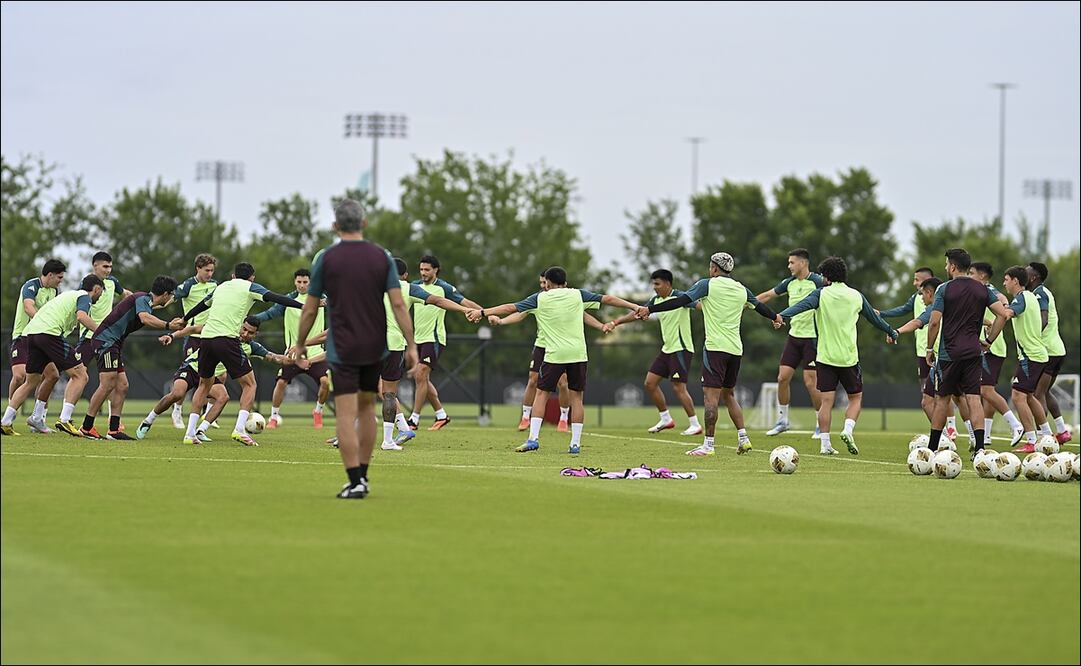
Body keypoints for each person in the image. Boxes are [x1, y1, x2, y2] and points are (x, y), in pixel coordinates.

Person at [291, 199, 418, 499]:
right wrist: (411, 344)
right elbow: (398, 304)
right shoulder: (382, 257)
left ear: (335, 226)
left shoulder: (326, 258)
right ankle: (364, 474)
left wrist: (299, 343)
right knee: (367, 409)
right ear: (364, 224)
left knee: (346, 415)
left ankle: (355, 480)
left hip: (343, 347)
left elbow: (310, 308)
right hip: (375, 345)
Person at [476, 265, 634, 454]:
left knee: (542, 394)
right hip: (578, 354)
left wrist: (483, 312)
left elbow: (510, 307)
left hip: (554, 354)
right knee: (577, 398)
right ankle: (575, 444)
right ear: (565, 283)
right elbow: (607, 299)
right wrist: (634, 306)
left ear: (548, 283)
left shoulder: (540, 298)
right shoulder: (577, 295)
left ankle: (533, 439)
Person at [647, 252, 780, 457]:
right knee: (729, 394)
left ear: (714, 268)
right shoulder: (741, 288)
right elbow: (760, 307)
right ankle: (743, 439)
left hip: (715, 348)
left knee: (711, 397)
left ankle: (708, 445)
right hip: (736, 350)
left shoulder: (707, 284)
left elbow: (680, 300)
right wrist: (776, 317)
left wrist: (651, 309)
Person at [778, 256, 898, 456]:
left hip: (825, 358)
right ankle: (848, 429)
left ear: (826, 277)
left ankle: (825, 445)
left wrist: (781, 315)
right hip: (849, 358)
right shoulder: (856, 296)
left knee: (826, 402)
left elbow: (800, 306)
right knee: (855, 398)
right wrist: (891, 331)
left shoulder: (821, 294)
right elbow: (873, 318)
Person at [895, 249, 1010, 457]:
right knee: (973, 399)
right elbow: (1002, 315)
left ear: (954, 266)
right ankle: (980, 449)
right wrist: (989, 341)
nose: (946, 268)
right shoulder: (982, 289)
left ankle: (932, 449)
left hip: (949, 355)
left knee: (942, 400)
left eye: (947, 264)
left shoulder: (943, 289)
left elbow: (935, 322)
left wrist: (929, 349)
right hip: (974, 353)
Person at [179, 262, 303, 446]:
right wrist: (303, 306)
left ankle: (190, 434)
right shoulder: (251, 287)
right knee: (250, 384)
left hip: (206, 338)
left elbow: (202, 305)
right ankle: (239, 429)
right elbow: (276, 298)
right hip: (226, 339)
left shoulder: (221, 287)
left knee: (204, 386)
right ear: (252, 277)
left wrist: (184, 318)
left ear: (233, 276)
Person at [139, 317, 301, 441]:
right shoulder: (222, 331)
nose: (245, 334)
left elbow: (273, 357)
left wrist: (290, 360)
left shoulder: (251, 347)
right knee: (177, 394)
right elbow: (194, 328)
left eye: (250, 332)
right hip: (193, 368)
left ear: (255, 334)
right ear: (239, 325)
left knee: (223, 397)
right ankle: (148, 420)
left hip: (211, 377)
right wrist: (172, 336)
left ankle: (201, 430)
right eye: (243, 329)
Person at [498, 270, 602, 433]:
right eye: (540, 283)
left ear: (550, 282)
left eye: (544, 282)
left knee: (563, 384)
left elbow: (583, 314)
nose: (542, 285)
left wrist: (601, 325)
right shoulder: (538, 299)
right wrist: (501, 321)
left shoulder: (569, 298)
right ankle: (526, 417)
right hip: (543, 345)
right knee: (533, 380)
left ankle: (563, 418)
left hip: (560, 348)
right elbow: (519, 313)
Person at [78, 276, 181, 440]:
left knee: (123, 385)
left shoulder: (146, 302)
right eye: (171, 295)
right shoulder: (142, 298)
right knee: (107, 383)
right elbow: (144, 318)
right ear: (166, 294)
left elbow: (151, 312)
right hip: (106, 341)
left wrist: (174, 323)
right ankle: (86, 427)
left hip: (114, 343)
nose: (171, 299)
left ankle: (114, 430)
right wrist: (168, 325)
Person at [1, 275, 105, 436]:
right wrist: (102, 334)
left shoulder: (68, 295)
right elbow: (82, 317)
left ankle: (8, 421)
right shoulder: (84, 297)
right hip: (48, 334)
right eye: (101, 292)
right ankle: (64, 420)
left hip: (31, 334)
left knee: (36, 380)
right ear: (97, 289)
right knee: (80, 375)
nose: (100, 296)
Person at [607, 269, 703, 436]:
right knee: (650, 383)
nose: (654, 287)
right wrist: (616, 321)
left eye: (657, 284)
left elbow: (700, 306)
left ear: (667, 284)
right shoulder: (656, 300)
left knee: (678, 387)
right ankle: (666, 419)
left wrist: (718, 308)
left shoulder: (682, 298)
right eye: (653, 284)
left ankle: (695, 424)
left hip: (681, 348)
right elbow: (639, 312)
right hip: (667, 349)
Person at [879, 266, 961, 440]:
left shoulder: (937, 306)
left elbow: (919, 322)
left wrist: (897, 332)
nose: (920, 295)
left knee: (938, 399)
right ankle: (970, 440)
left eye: (922, 291)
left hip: (943, 358)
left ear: (930, 291)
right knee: (962, 398)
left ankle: (948, 436)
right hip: (953, 356)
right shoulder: (952, 301)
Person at [755, 249, 825, 438]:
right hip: (794, 337)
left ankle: (821, 424)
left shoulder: (818, 281)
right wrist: (747, 302)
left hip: (813, 337)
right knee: (782, 378)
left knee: (811, 383)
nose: (789, 266)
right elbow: (768, 295)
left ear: (803, 263)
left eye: (792, 262)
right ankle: (782, 421)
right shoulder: (789, 283)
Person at [407, 255, 482, 431]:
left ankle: (414, 420)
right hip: (417, 339)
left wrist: (485, 312)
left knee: (420, 375)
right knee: (422, 378)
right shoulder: (415, 286)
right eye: (421, 269)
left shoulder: (444, 288)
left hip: (434, 338)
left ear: (436, 270)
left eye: (427, 270)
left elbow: (465, 302)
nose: (423, 273)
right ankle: (441, 415)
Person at [253, 268, 330, 430]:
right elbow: (270, 313)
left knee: (325, 383)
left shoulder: (321, 298)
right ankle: (273, 417)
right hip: (293, 353)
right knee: (281, 383)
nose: (302, 285)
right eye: (299, 282)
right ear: (295, 282)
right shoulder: (288, 300)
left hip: (315, 353)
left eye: (305, 282)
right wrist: (253, 319)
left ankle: (318, 412)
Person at [984, 266, 1049, 454]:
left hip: (1031, 356)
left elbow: (1005, 315)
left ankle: (1031, 440)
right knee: (1028, 396)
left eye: (1006, 279)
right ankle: (1046, 434)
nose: (1004, 283)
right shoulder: (1028, 297)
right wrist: (990, 335)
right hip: (1036, 355)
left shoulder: (1021, 298)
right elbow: (1005, 314)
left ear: (1015, 281)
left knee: (1018, 396)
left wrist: (987, 336)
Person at [969, 262, 1024, 447]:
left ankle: (1015, 424)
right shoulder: (981, 290)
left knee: (986, 390)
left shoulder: (987, 290)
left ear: (982, 276)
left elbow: (1001, 299)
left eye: (971, 273)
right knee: (986, 391)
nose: (969, 276)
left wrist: (1004, 307)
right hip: (990, 348)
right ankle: (985, 435)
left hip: (991, 348)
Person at [76, 251, 134, 429]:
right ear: (95, 266)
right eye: (105, 266)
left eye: (110, 266)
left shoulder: (113, 282)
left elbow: (125, 294)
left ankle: (113, 420)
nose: (108, 270)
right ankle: (64, 417)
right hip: (88, 337)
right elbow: (80, 309)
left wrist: (136, 301)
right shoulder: (86, 284)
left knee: (117, 382)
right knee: (76, 376)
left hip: (108, 339)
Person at [9, 259, 67, 434]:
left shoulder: (55, 291)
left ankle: (39, 418)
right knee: (20, 377)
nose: (61, 281)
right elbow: (28, 307)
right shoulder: (31, 286)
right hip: (22, 337)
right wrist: (43, 323)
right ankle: (9, 416)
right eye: (59, 277)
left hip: (41, 339)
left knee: (48, 377)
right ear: (50, 275)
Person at [169, 253, 218, 428]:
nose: (210, 274)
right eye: (207, 270)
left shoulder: (215, 285)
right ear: (197, 268)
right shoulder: (188, 285)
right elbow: (171, 298)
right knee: (189, 377)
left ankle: (210, 414)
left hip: (211, 335)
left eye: (212, 270)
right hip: (193, 337)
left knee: (220, 375)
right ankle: (177, 411)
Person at [1027, 262, 1071, 444]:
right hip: (1056, 350)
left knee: (1036, 395)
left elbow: (1043, 319)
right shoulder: (1041, 292)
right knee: (1044, 392)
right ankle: (1061, 431)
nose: (1023, 273)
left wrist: (1032, 337)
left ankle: (1043, 439)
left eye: (1026, 271)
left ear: (1033, 277)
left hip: (1048, 351)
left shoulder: (1039, 294)